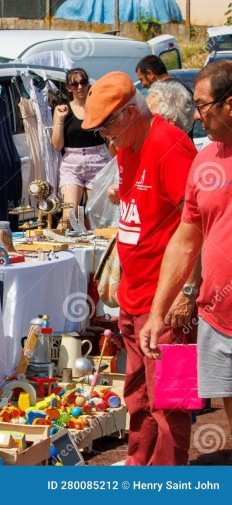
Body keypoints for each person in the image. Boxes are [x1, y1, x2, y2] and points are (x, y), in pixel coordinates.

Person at [82, 72, 198, 465]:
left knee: (172, 403)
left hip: (165, 305)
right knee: (137, 395)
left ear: (131, 112)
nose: (106, 140)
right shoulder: (127, 144)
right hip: (135, 300)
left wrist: (185, 295)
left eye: (106, 130)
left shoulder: (172, 145)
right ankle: (139, 468)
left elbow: (198, 225)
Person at [140, 59, 232, 440]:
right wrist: (158, 311)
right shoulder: (205, 160)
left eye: (202, 105)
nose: (196, 116)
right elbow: (185, 240)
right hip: (219, 321)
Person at [51, 68, 111, 229]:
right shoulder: (63, 110)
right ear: (68, 88)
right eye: (74, 84)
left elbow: (110, 140)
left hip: (98, 159)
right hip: (72, 162)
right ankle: (57, 250)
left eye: (83, 82)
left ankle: (94, 252)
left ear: (88, 84)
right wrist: (59, 121)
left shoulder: (98, 108)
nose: (79, 87)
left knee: (94, 216)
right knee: (69, 215)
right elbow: (57, 145)